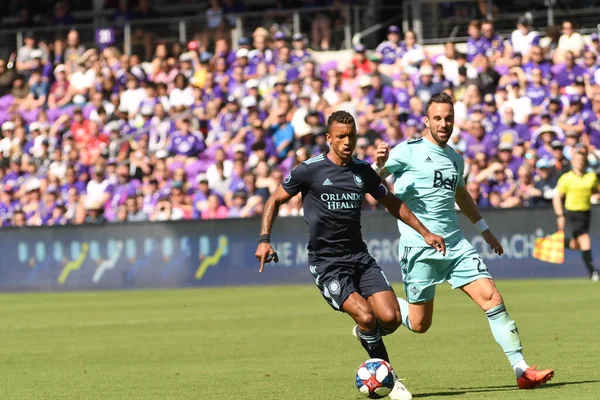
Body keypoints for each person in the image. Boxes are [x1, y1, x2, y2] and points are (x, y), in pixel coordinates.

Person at [255, 111, 447, 400]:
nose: (347, 141)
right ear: (328, 138)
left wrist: (425, 232)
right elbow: (275, 199)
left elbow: (393, 203)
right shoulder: (309, 170)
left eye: (352, 136)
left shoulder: (362, 171)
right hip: (328, 264)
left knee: (391, 318)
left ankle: (366, 335)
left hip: (360, 258)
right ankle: (391, 380)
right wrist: (264, 239)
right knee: (367, 316)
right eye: (341, 136)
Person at [373, 92, 554, 390]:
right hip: (419, 247)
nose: (444, 124)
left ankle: (521, 369)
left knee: (492, 297)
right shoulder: (406, 150)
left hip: (455, 245)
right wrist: (379, 164)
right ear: (427, 121)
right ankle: (383, 308)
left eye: (449, 119)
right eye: (438, 118)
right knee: (419, 324)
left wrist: (484, 229)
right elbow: (374, 181)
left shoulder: (455, 158)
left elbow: (461, 194)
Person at [553, 150, 600, 281]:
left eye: (582, 160)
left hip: (586, 213)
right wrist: (560, 215)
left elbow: (595, 190)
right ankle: (593, 273)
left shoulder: (591, 177)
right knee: (585, 239)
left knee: (576, 245)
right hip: (572, 213)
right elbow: (557, 196)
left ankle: (561, 243)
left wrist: (596, 195)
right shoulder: (566, 178)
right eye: (577, 160)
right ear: (572, 162)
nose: (580, 162)